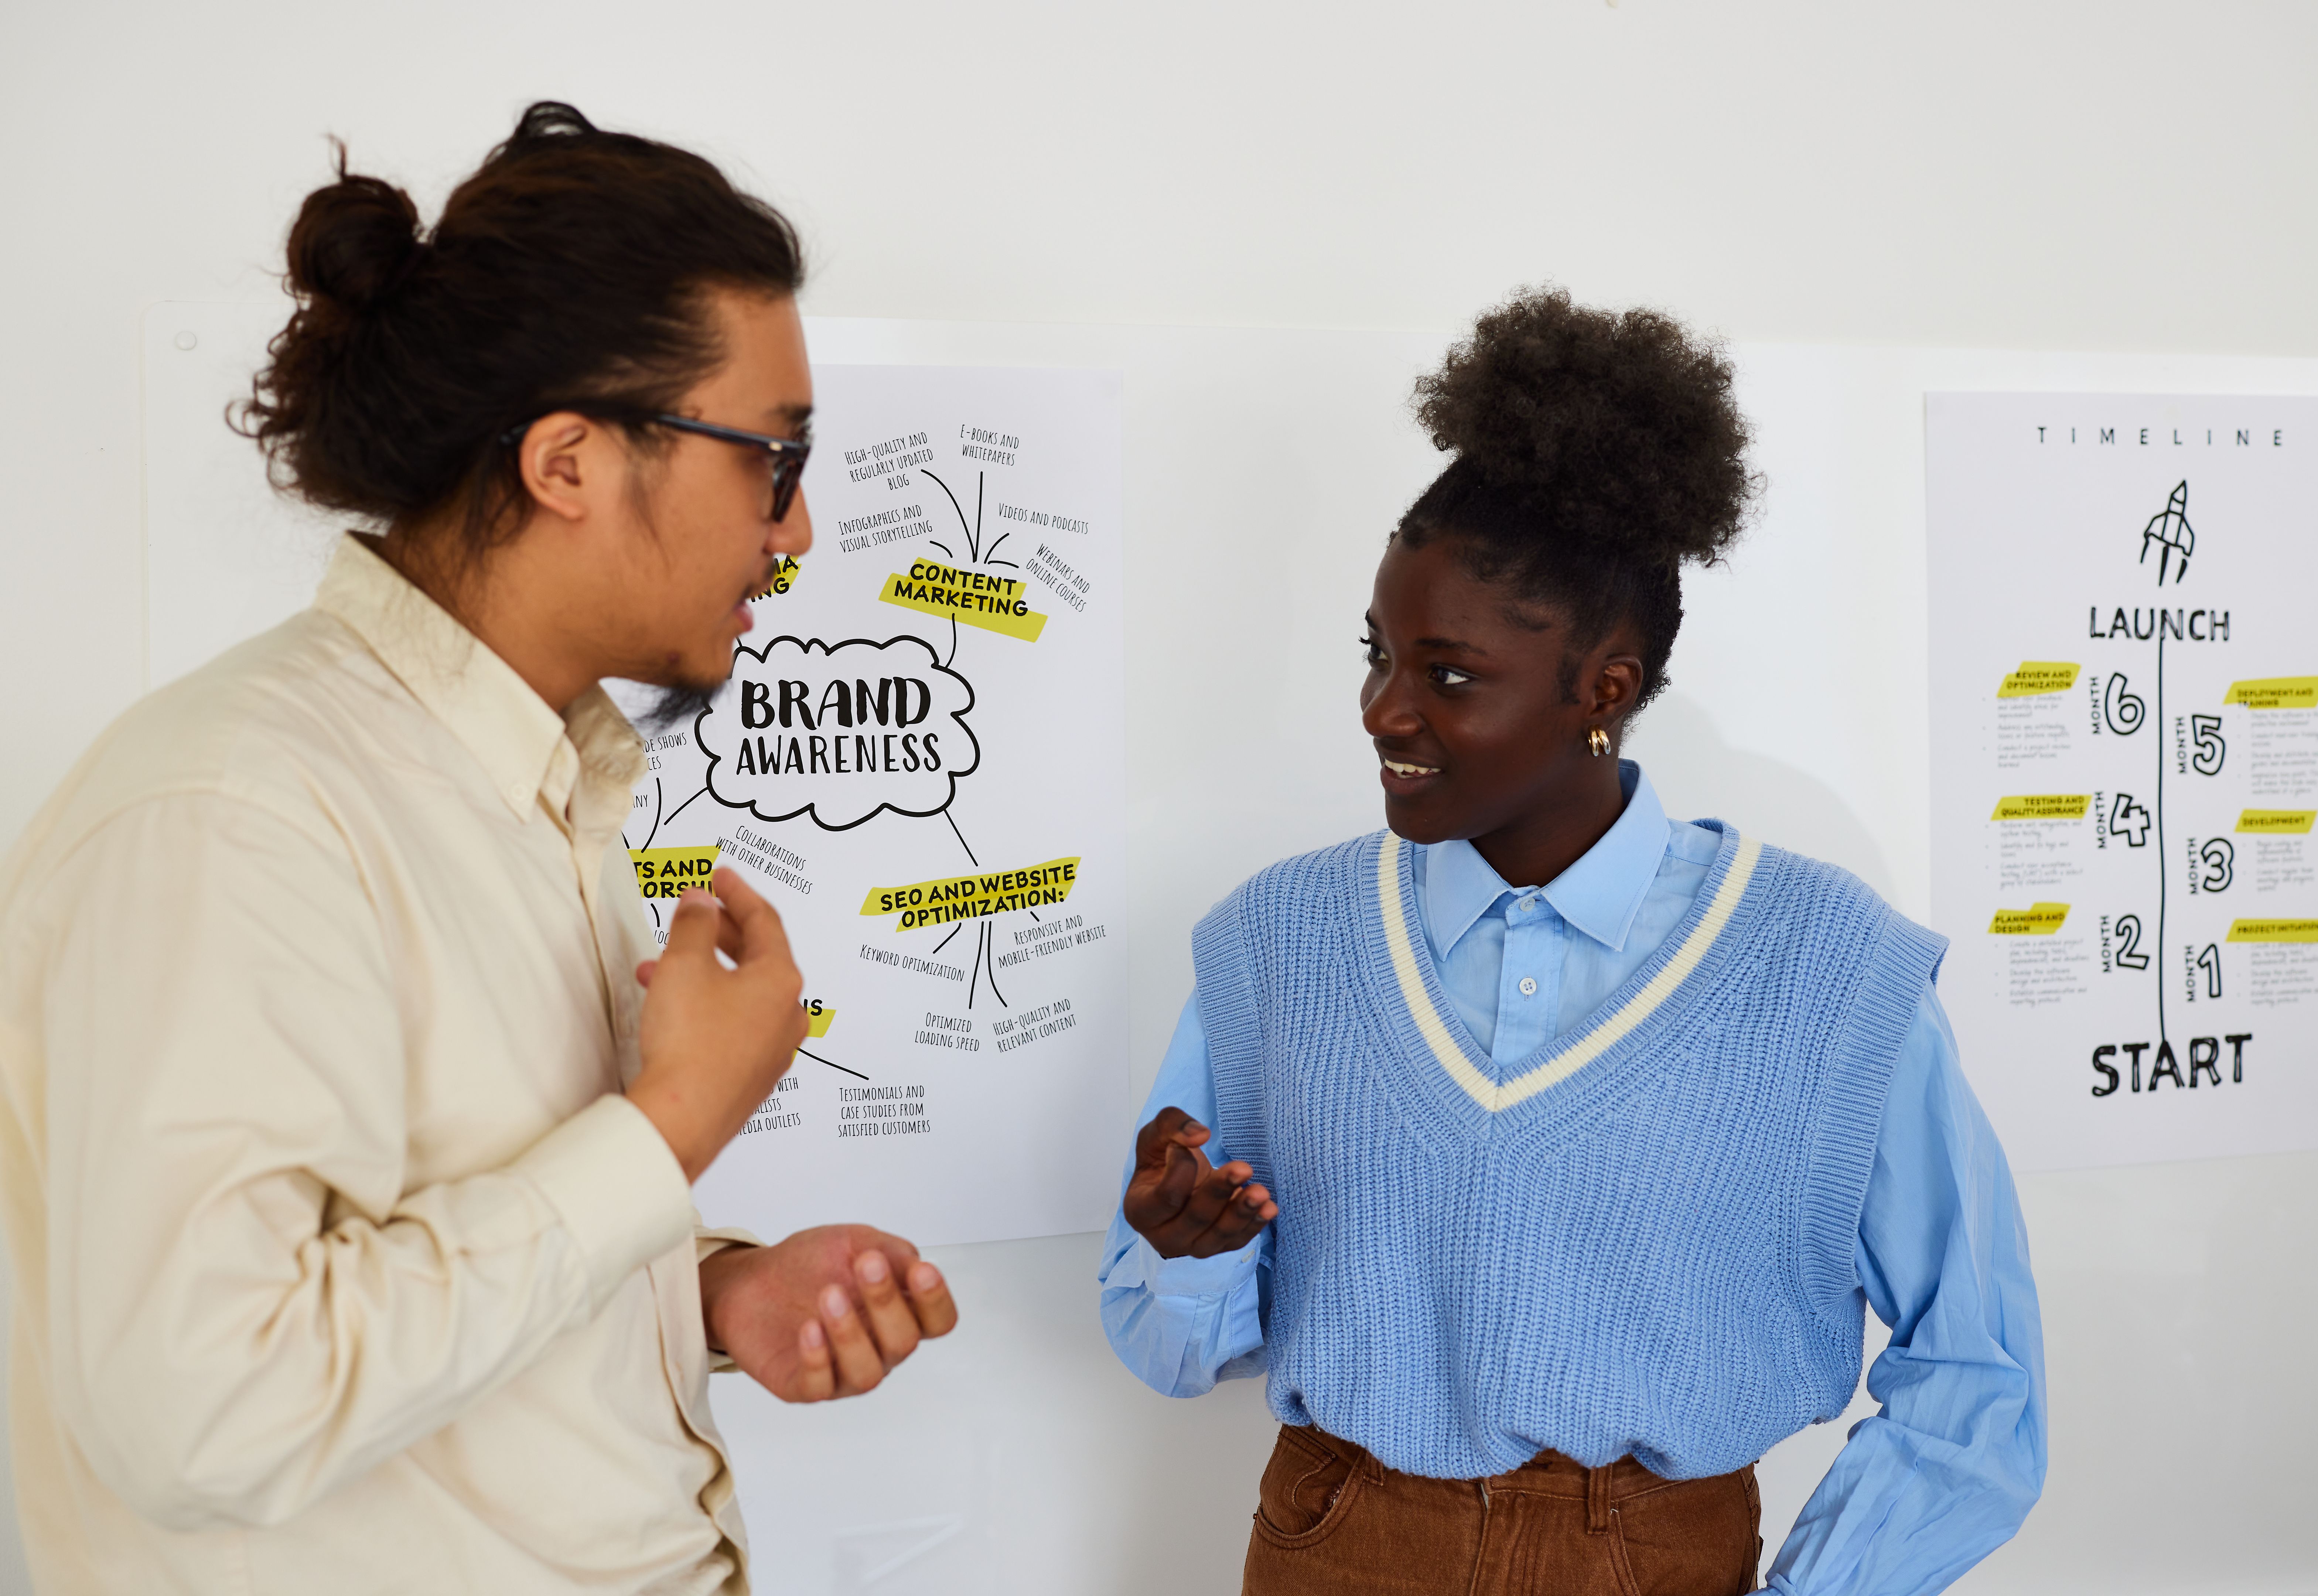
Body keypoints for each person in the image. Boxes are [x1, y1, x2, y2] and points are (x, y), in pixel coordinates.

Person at [0, 103, 955, 1594]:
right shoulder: (235, 816)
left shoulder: (527, 782)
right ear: (569, 460)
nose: (800, 531)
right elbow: (204, 1417)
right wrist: (671, 1125)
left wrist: (708, 1291)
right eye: (771, 460)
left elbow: (450, 1249)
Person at [1100, 291, 2045, 1595]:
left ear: (1603, 688)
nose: (1383, 709)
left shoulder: (1828, 972)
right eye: (1376, 655)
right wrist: (1186, 1260)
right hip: (1334, 1546)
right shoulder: (1280, 944)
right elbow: (1165, 1353)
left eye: (1449, 674)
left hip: (1655, 1560)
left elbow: (1979, 1377)